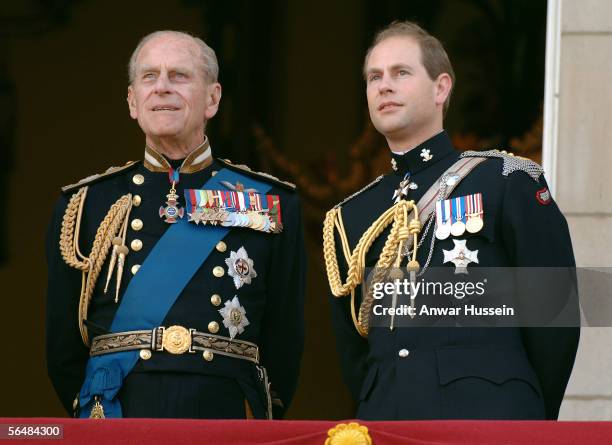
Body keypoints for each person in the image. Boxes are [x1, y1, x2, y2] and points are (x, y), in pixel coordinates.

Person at [323, 21, 579, 420]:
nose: (383, 86)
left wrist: (525, 417)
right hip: (389, 421)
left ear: (441, 88)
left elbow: (553, 314)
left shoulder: (504, 180)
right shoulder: (352, 214)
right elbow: (354, 352)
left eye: (401, 73)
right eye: (375, 77)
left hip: (488, 419)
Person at [46, 30, 306, 420]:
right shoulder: (85, 205)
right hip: (118, 414)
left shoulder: (269, 202)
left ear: (213, 99)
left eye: (179, 76)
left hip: (224, 413)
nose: (162, 87)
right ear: (133, 102)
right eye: (149, 77)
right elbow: (63, 348)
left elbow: (284, 340)